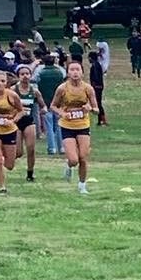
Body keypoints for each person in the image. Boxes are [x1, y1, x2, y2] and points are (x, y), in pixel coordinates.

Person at [51, 60, 98, 195]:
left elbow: (96, 109)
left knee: (83, 157)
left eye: (77, 69)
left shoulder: (88, 88)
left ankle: (82, 185)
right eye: (72, 70)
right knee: (73, 159)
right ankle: (69, 165)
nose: (75, 72)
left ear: (82, 72)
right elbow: (53, 106)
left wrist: (90, 108)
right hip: (67, 126)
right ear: (67, 72)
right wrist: (62, 113)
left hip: (83, 125)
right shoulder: (62, 88)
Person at [13, 66, 46, 180]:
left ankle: (30, 173)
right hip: (15, 122)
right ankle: (4, 157)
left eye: (27, 74)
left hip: (29, 121)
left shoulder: (35, 91)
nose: (25, 76)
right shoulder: (13, 90)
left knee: (31, 149)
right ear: (18, 76)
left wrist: (44, 109)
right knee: (18, 153)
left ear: (30, 75)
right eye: (22, 74)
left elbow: (43, 105)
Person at [35, 51, 65, 154]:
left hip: (45, 101)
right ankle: (61, 147)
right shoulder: (60, 71)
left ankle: (52, 148)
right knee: (59, 125)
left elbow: (34, 81)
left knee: (48, 125)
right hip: (58, 103)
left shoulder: (40, 72)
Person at [89, 49, 108, 125]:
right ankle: (100, 120)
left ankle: (103, 120)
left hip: (97, 87)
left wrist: (94, 85)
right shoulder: (97, 64)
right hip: (99, 86)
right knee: (98, 103)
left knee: (98, 103)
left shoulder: (95, 66)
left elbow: (96, 77)